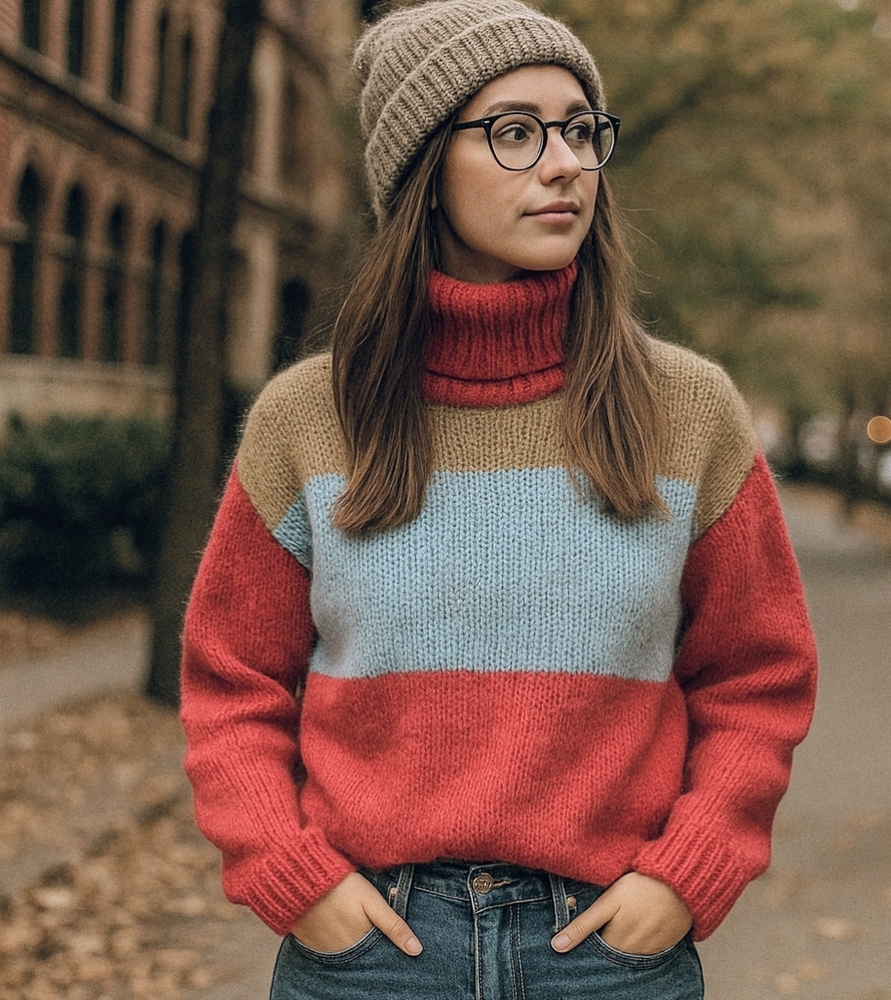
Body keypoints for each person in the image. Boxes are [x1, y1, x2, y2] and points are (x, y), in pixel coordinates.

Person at [180, 2, 818, 998]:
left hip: (608, 953)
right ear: (423, 171)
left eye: (578, 130)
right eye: (513, 132)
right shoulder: (307, 418)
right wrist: (292, 874)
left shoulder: (688, 412)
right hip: (370, 954)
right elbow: (230, 685)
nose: (563, 163)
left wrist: (687, 872)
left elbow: (755, 679)